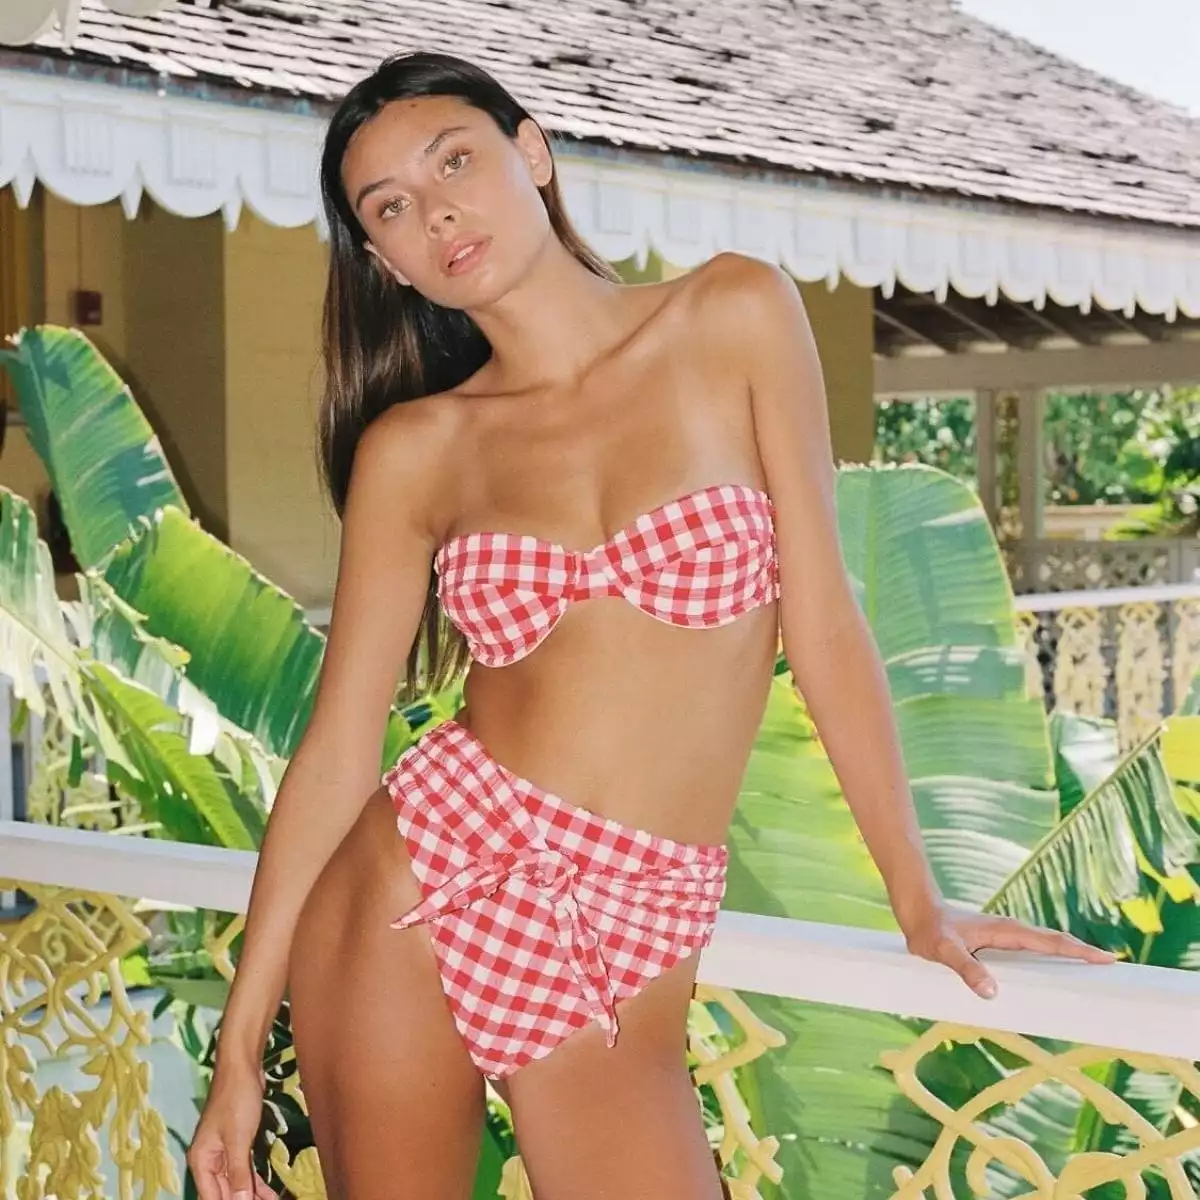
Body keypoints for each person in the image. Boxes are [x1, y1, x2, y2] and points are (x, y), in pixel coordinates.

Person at [186, 49, 1113, 1200]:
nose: (436, 213)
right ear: (387, 263)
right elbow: (334, 753)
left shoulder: (732, 314)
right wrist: (237, 1054)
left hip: (633, 912)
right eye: (393, 208)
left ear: (532, 151)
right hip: (415, 882)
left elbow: (825, 625)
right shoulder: (418, 449)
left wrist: (916, 899)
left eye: (455, 163)